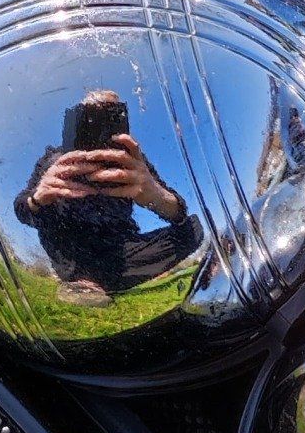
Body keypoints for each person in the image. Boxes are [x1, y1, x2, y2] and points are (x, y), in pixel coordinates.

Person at [14, 89, 199, 300]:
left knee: (193, 229)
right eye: (91, 113)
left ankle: (100, 281)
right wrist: (38, 197)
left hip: (118, 251)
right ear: (78, 117)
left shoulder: (130, 159)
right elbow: (22, 208)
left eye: (111, 114)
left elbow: (178, 214)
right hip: (70, 246)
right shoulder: (53, 159)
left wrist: (157, 195)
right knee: (50, 214)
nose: (98, 122)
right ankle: (81, 279)